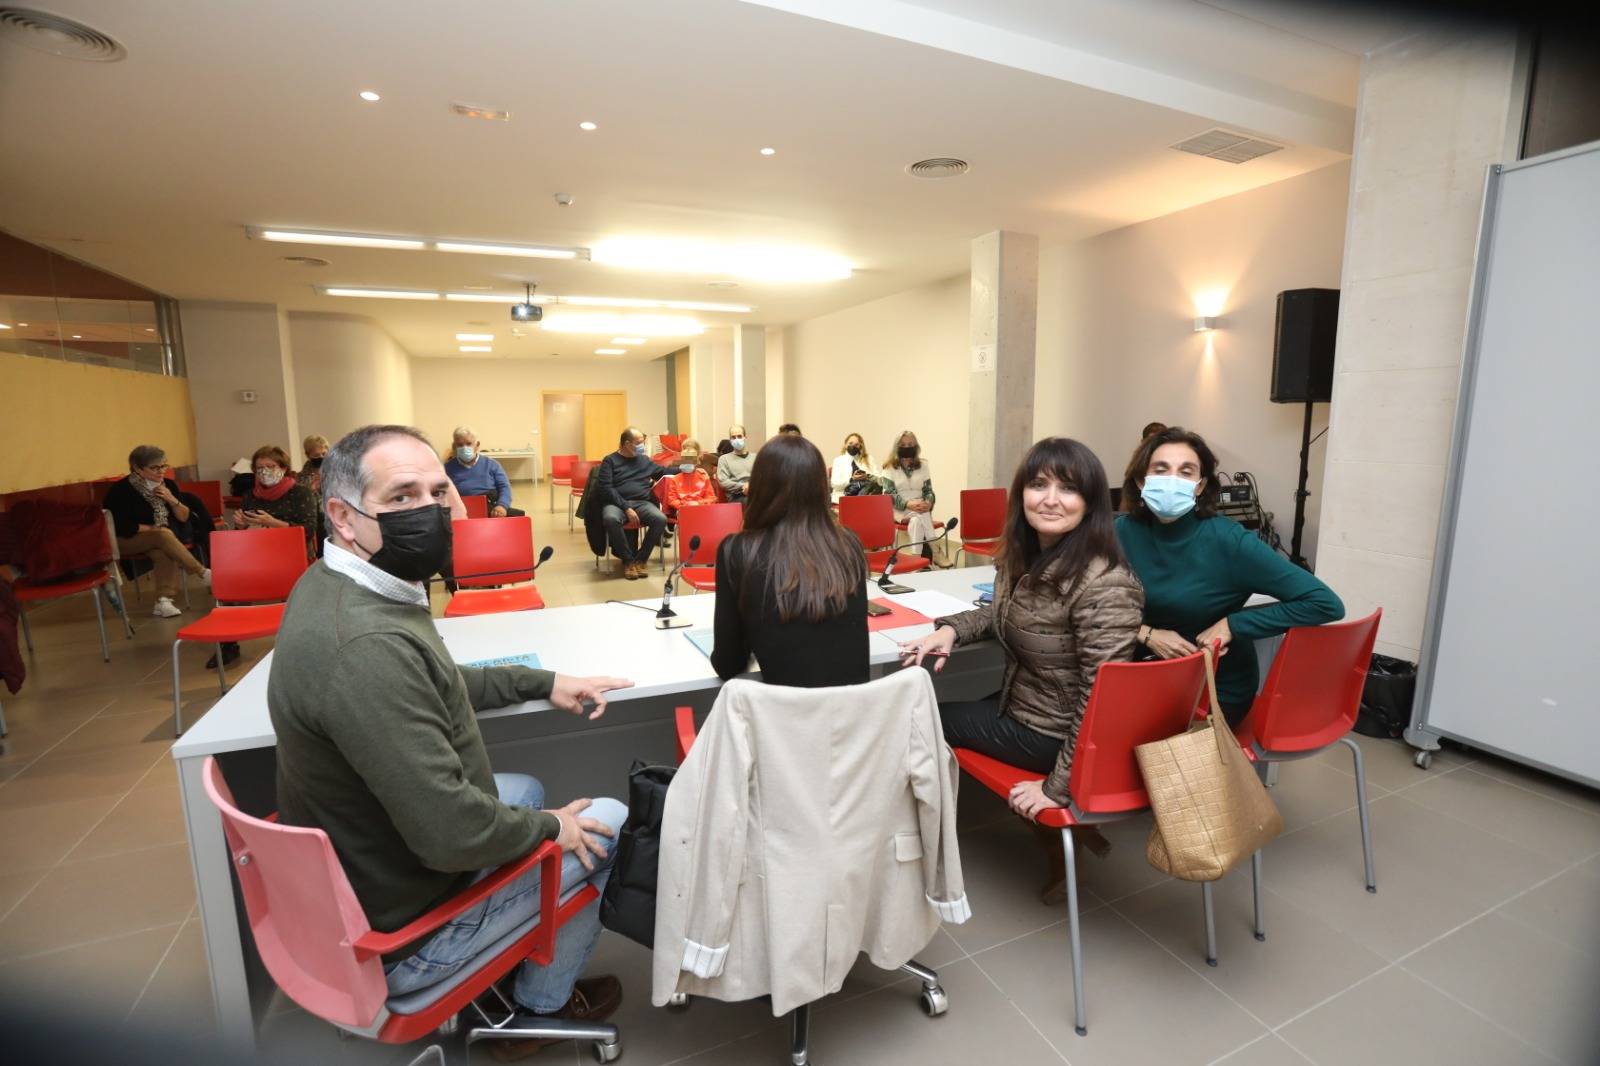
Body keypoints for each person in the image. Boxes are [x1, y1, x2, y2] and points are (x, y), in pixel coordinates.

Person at [267, 424, 633, 1059]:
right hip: (402, 938)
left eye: (438, 491)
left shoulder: (339, 586)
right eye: (402, 496)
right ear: (343, 516)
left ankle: (516, 970)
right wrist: (549, 828)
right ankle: (531, 1016)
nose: (432, 510)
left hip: (365, 871)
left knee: (521, 790)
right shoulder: (366, 648)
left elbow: (434, 678)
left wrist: (543, 681)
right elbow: (452, 836)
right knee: (608, 820)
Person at [899, 437, 1144, 903]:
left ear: (1090, 504)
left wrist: (1059, 788)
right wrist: (953, 629)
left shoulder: (1106, 582)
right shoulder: (1027, 555)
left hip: (1055, 735)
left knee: (919, 716)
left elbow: (1106, 702)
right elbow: (1004, 614)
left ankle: (915, 853)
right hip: (1026, 708)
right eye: (1038, 484)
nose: (1050, 499)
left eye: (1067, 489)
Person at [1116, 426, 1344, 727]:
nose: (1172, 480)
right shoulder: (1119, 532)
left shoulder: (1230, 541)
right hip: (1140, 670)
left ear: (1200, 486)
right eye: (1161, 469)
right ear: (1140, 480)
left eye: (1186, 472)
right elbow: (1087, 604)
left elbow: (1325, 603)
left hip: (1211, 688)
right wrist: (1146, 633)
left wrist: (1233, 625)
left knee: (1130, 742)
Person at [711, 433, 868, 687]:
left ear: (760, 485)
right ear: (820, 485)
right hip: (851, 720)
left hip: (781, 722)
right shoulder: (849, 543)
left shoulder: (737, 550)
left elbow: (728, 665)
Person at [203, 445, 319, 670]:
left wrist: (272, 523)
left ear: (283, 468)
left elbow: (309, 530)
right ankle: (228, 643)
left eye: (270, 466)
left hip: (291, 553)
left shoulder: (300, 493)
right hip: (256, 552)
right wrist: (241, 525)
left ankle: (298, 641)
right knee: (236, 581)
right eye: (259, 468)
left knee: (284, 582)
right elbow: (244, 535)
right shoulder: (250, 496)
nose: (264, 472)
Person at [103, 445, 211, 618]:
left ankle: (163, 601)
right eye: (155, 468)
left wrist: (171, 499)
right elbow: (119, 525)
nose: (161, 471)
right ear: (138, 468)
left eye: (163, 466)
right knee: (163, 535)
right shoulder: (121, 490)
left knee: (163, 551)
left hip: (159, 540)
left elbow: (184, 518)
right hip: (124, 540)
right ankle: (201, 572)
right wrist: (151, 529)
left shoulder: (168, 485)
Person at [595, 427, 674, 580]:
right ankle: (628, 561)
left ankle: (641, 560)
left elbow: (662, 472)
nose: (642, 446)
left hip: (642, 502)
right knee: (611, 519)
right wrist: (626, 508)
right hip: (616, 503)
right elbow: (606, 488)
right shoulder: (610, 461)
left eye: (642, 443)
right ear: (626, 444)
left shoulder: (643, 460)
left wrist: (685, 468)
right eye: (639, 443)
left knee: (660, 519)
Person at [444, 426, 522, 517]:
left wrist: (502, 505)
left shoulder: (492, 465)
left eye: (469, 444)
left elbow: (504, 487)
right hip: (460, 512)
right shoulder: (446, 469)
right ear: (454, 446)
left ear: (477, 445)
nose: (464, 448)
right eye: (460, 445)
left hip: (490, 509)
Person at [883, 430, 937, 554]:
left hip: (920, 507)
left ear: (916, 447)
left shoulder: (923, 465)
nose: (907, 448)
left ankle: (915, 560)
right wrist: (907, 504)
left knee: (916, 521)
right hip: (899, 509)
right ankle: (936, 549)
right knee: (922, 514)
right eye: (903, 445)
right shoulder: (889, 467)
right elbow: (889, 493)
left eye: (910, 444)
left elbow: (928, 490)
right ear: (897, 447)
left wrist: (928, 501)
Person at [660, 438, 719, 514]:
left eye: (691, 458)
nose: (688, 461)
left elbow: (711, 498)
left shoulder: (703, 477)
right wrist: (685, 505)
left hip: (702, 510)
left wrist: (698, 503)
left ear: (697, 459)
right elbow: (672, 500)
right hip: (683, 511)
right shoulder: (675, 479)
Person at [829, 432, 878, 501]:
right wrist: (851, 479)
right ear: (845, 445)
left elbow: (879, 479)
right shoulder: (838, 461)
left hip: (866, 499)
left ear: (860, 446)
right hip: (843, 498)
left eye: (856, 444)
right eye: (850, 443)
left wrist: (867, 477)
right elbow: (835, 484)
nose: (853, 446)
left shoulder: (869, 459)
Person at [715, 424, 754, 502]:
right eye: (733, 437)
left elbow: (762, 478)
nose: (737, 439)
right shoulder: (724, 459)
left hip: (754, 492)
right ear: (730, 440)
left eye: (739, 436)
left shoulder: (755, 457)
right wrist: (743, 486)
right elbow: (724, 482)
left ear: (745, 437)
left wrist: (752, 487)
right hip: (736, 496)